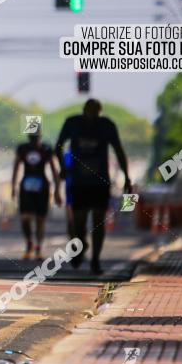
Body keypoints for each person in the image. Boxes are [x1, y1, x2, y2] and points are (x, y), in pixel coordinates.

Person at [54, 99, 131, 274]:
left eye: (95, 112)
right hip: (79, 182)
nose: (92, 115)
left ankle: (95, 259)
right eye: (89, 111)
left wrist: (127, 177)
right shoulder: (72, 123)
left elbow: (118, 149)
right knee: (78, 223)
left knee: (99, 222)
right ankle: (80, 246)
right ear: (83, 111)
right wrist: (63, 167)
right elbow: (58, 146)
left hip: (100, 182)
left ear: (99, 112)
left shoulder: (106, 126)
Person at [11, 132, 61, 259]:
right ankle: (29, 243)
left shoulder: (46, 149)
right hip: (26, 187)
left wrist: (57, 190)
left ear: (40, 136)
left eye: (36, 137)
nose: (34, 139)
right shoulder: (22, 148)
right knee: (25, 218)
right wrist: (13, 187)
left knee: (40, 219)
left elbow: (54, 170)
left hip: (42, 187)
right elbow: (16, 167)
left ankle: (38, 248)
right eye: (31, 137)